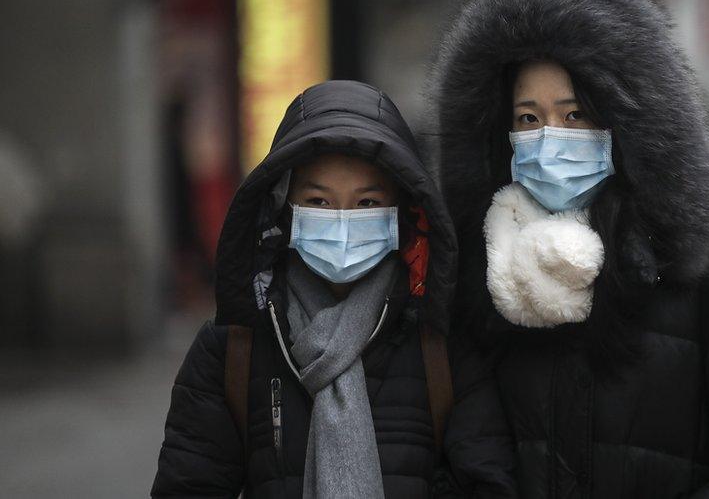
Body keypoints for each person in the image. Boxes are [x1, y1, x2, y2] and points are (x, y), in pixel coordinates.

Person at [427, 0, 709, 498]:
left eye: (574, 115)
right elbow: (464, 461)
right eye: (528, 118)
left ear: (628, 124)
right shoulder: (479, 288)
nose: (549, 137)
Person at [151, 80, 511, 498]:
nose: (342, 221)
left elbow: (488, 482)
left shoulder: (443, 346)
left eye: (366, 204)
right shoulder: (233, 350)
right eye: (319, 202)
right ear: (283, 209)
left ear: (403, 213)